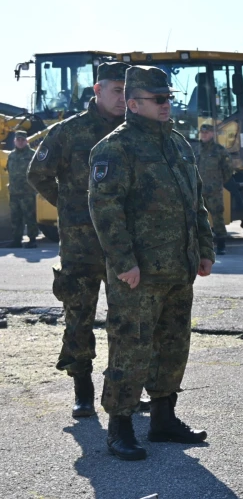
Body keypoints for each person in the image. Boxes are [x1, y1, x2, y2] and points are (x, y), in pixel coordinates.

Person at [88, 66, 215, 460]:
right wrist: (125, 262)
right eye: (158, 99)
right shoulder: (116, 147)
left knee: (174, 346)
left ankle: (163, 418)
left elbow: (195, 201)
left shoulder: (177, 143)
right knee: (130, 348)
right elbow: (105, 210)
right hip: (137, 275)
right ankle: (120, 427)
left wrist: (205, 249)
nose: (166, 105)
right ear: (133, 103)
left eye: (168, 98)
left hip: (178, 267)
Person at [28, 62, 129, 418]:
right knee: (79, 316)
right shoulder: (68, 132)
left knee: (128, 321)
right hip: (80, 246)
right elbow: (37, 173)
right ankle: (82, 389)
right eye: (116, 90)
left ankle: (123, 389)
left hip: (125, 247)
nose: (123, 98)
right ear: (98, 90)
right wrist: (69, 206)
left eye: (127, 91)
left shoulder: (137, 131)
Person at [192, 123, 234, 255]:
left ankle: (221, 245)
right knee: (197, 219)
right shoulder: (195, 150)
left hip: (214, 191)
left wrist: (217, 183)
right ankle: (199, 245)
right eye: (202, 133)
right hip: (198, 191)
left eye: (207, 133)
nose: (204, 135)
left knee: (217, 218)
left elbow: (227, 171)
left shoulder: (219, 151)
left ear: (212, 134)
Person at [5, 131, 38, 248]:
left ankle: (32, 239)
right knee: (15, 217)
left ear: (26, 141)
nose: (20, 142)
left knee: (30, 216)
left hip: (28, 192)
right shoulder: (11, 155)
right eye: (18, 140)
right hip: (14, 192)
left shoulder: (32, 154)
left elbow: (38, 171)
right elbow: (8, 170)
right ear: (14, 141)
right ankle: (16, 240)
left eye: (22, 140)